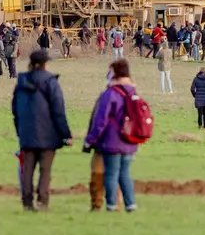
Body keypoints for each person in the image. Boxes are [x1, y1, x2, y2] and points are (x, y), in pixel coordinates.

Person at [12, 50, 72, 212]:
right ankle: (43, 201)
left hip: (27, 134)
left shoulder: (21, 82)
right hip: (48, 135)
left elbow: (15, 110)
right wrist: (66, 134)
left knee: (27, 170)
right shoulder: (51, 82)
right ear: (46, 64)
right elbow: (58, 110)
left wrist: (20, 130)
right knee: (45, 171)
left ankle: (27, 202)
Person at [83, 59, 138, 213]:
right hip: (130, 142)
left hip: (112, 141)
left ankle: (111, 205)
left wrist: (90, 140)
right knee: (125, 173)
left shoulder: (110, 94)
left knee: (111, 174)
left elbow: (101, 120)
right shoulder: (133, 92)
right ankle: (130, 204)